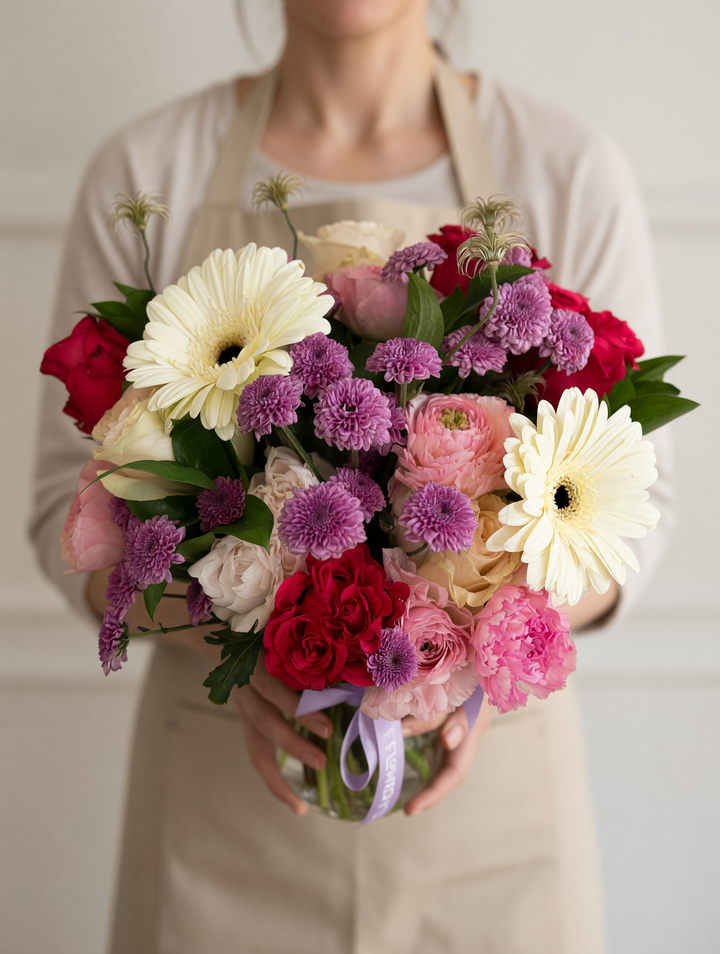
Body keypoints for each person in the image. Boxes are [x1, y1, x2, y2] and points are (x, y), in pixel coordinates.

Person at [31, 1, 672, 951]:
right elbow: (63, 509)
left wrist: (467, 654)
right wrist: (240, 652)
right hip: (220, 833)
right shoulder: (149, 167)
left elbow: (638, 520)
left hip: (494, 849)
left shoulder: (565, 166)